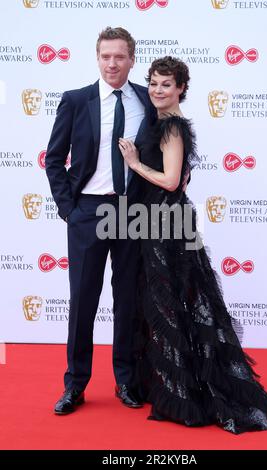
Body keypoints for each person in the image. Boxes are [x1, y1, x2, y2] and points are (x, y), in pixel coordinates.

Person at [118, 56, 267, 434]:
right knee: (167, 303)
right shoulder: (156, 120)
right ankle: (174, 383)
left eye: (166, 85)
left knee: (175, 303)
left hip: (166, 224)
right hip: (152, 221)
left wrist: (134, 162)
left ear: (181, 89)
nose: (158, 90)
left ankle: (190, 392)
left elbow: (172, 181)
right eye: (154, 83)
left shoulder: (172, 126)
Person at [46, 27, 156, 414]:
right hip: (88, 212)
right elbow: (54, 158)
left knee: (128, 300)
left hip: (133, 212)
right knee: (83, 301)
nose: (112, 63)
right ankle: (75, 385)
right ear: (97, 58)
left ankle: (126, 380)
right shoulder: (76, 101)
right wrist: (68, 210)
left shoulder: (148, 99)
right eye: (106, 56)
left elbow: (167, 149)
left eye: (120, 56)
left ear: (131, 59)